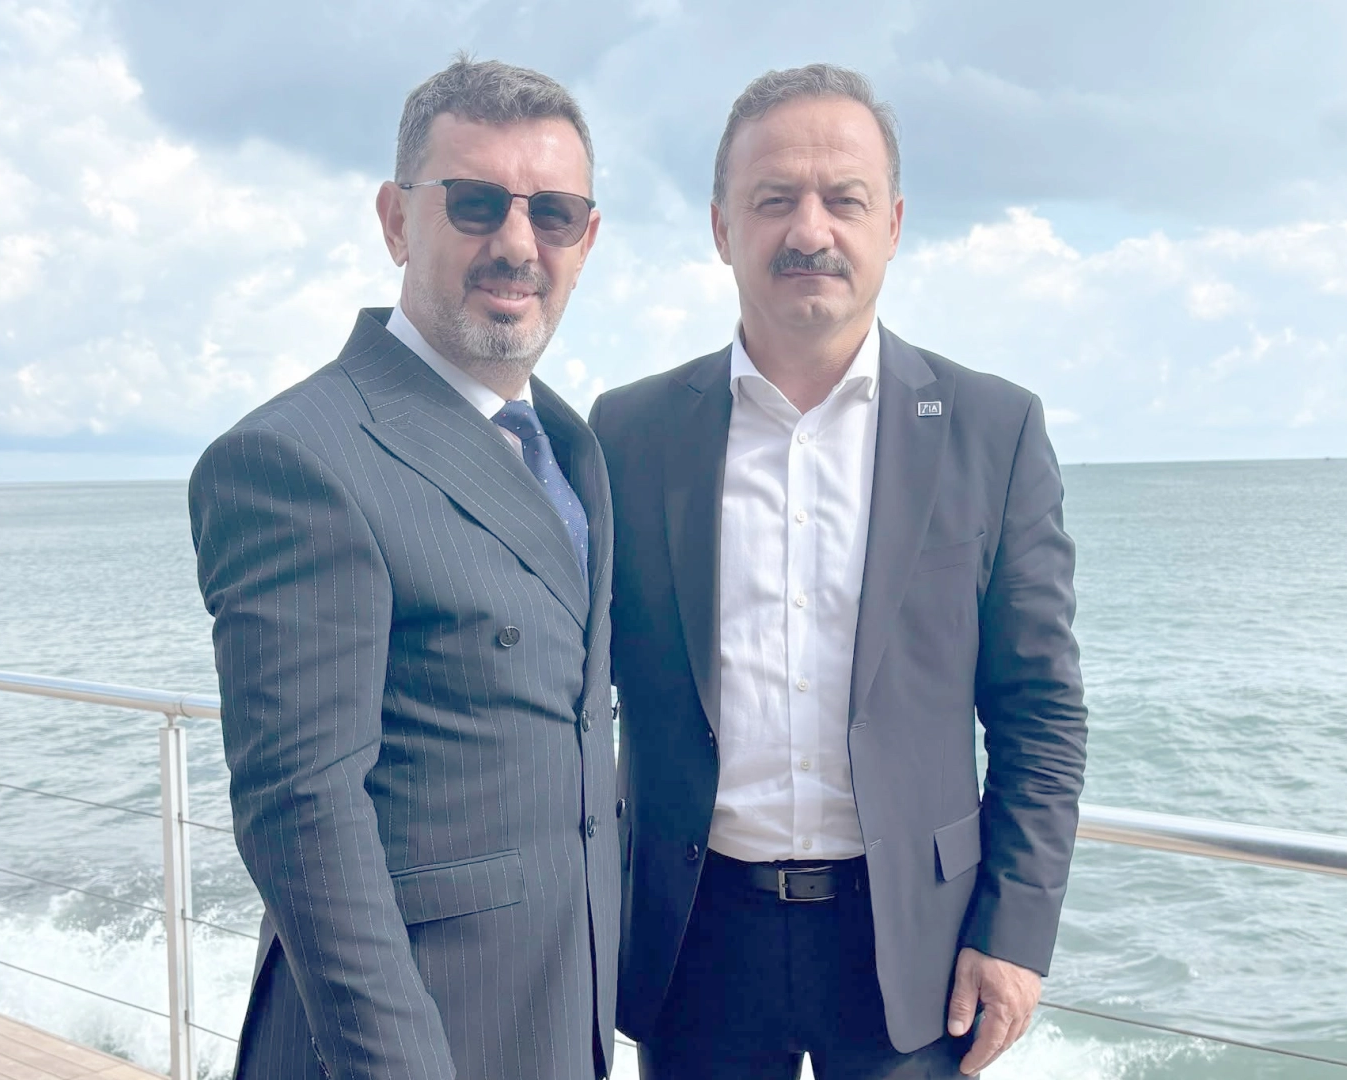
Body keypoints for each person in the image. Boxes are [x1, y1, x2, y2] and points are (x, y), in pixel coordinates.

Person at [591, 64, 1088, 1079]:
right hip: (693, 941)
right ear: (722, 228)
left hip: (915, 945)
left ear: (892, 224)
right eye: (773, 198)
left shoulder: (992, 429)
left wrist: (1015, 931)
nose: (808, 229)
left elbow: (1040, 710)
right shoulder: (628, 433)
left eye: (843, 199)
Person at [189, 56, 617, 1080]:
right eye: (475, 204)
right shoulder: (298, 458)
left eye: (552, 214)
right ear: (395, 221)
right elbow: (303, 814)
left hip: (559, 1017)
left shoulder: (571, 450)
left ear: (585, 239)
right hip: (405, 1044)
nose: (516, 243)